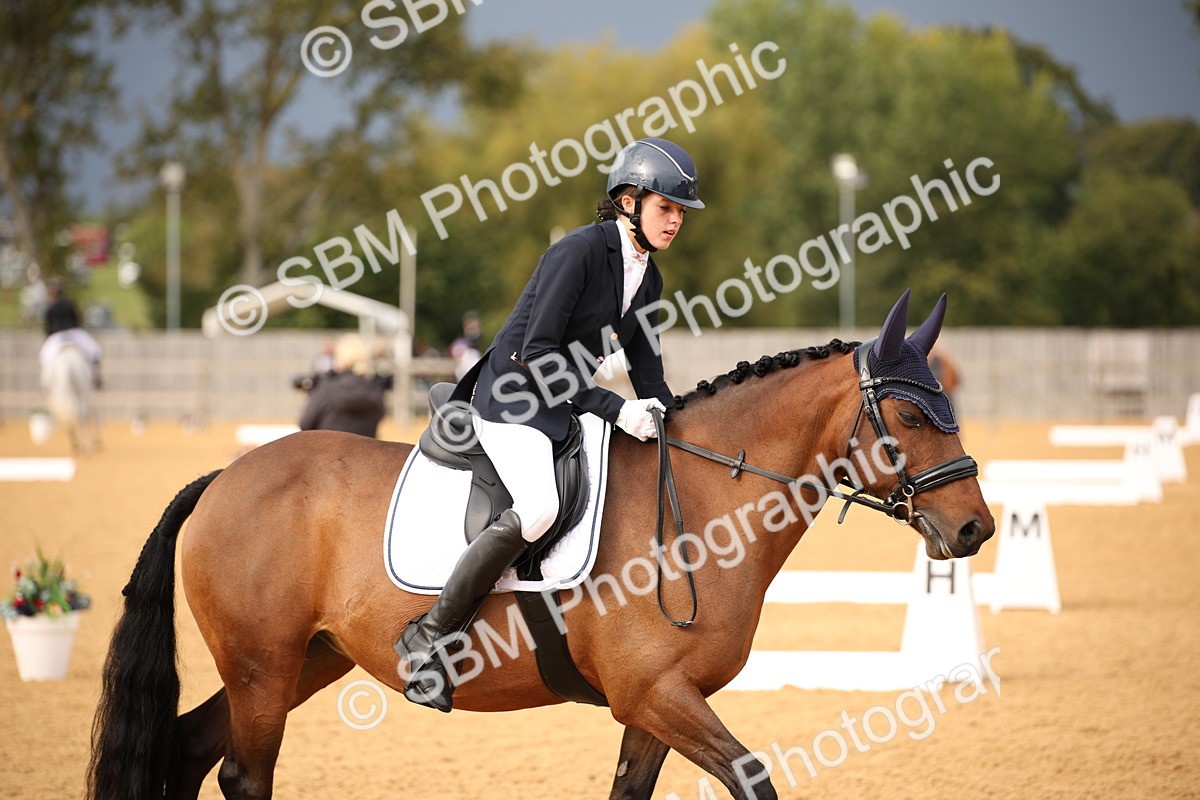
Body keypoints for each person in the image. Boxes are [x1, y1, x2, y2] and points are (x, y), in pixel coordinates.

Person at [395, 137, 704, 711]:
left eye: (681, 212)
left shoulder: (648, 278)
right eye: (667, 208)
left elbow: (648, 371)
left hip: (561, 404)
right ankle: (430, 635)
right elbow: (538, 352)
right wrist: (615, 410)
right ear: (629, 201)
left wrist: (673, 424)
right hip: (512, 397)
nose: (676, 221)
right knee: (538, 507)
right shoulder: (578, 252)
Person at [297, 334, 388, 438]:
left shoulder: (327, 389)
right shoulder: (375, 389)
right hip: (366, 452)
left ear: (341, 359)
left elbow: (305, 424)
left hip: (328, 451)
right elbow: (380, 416)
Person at [38, 278, 103, 389]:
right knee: (94, 350)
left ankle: (44, 384)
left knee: (44, 357)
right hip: (74, 334)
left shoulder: (51, 308)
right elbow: (78, 320)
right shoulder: (68, 304)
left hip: (58, 337)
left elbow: (47, 329)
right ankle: (96, 377)